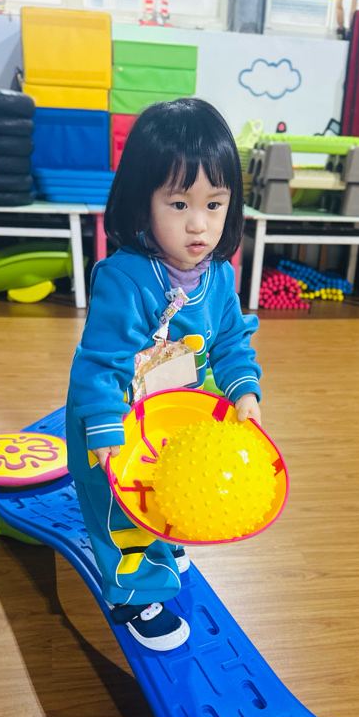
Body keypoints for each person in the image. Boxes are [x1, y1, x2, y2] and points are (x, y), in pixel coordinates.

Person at [66, 97, 262, 653]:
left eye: (214, 204)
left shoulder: (218, 275)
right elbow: (99, 364)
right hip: (112, 420)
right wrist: (104, 430)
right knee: (120, 512)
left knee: (165, 487)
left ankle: (162, 542)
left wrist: (244, 389)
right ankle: (132, 595)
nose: (199, 224)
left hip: (170, 416)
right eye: (178, 203)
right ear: (142, 202)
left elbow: (231, 340)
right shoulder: (125, 279)